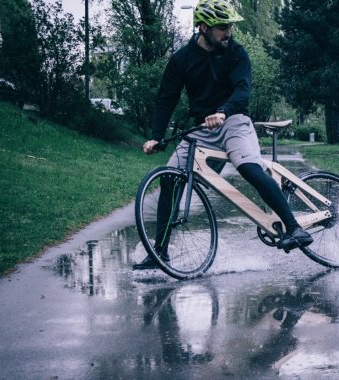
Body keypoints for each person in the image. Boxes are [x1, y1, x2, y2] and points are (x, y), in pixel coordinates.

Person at [133, 0, 312, 270]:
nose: (228, 33)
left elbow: (242, 91)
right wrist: (156, 136)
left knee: (249, 167)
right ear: (203, 27)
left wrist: (223, 111)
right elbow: (165, 99)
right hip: (202, 128)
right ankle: (159, 253)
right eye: (222, 28)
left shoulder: (236, 53)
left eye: (229, 26)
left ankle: (294, 227)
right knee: (170, 178)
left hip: (234, 120)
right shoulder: (181, 59)